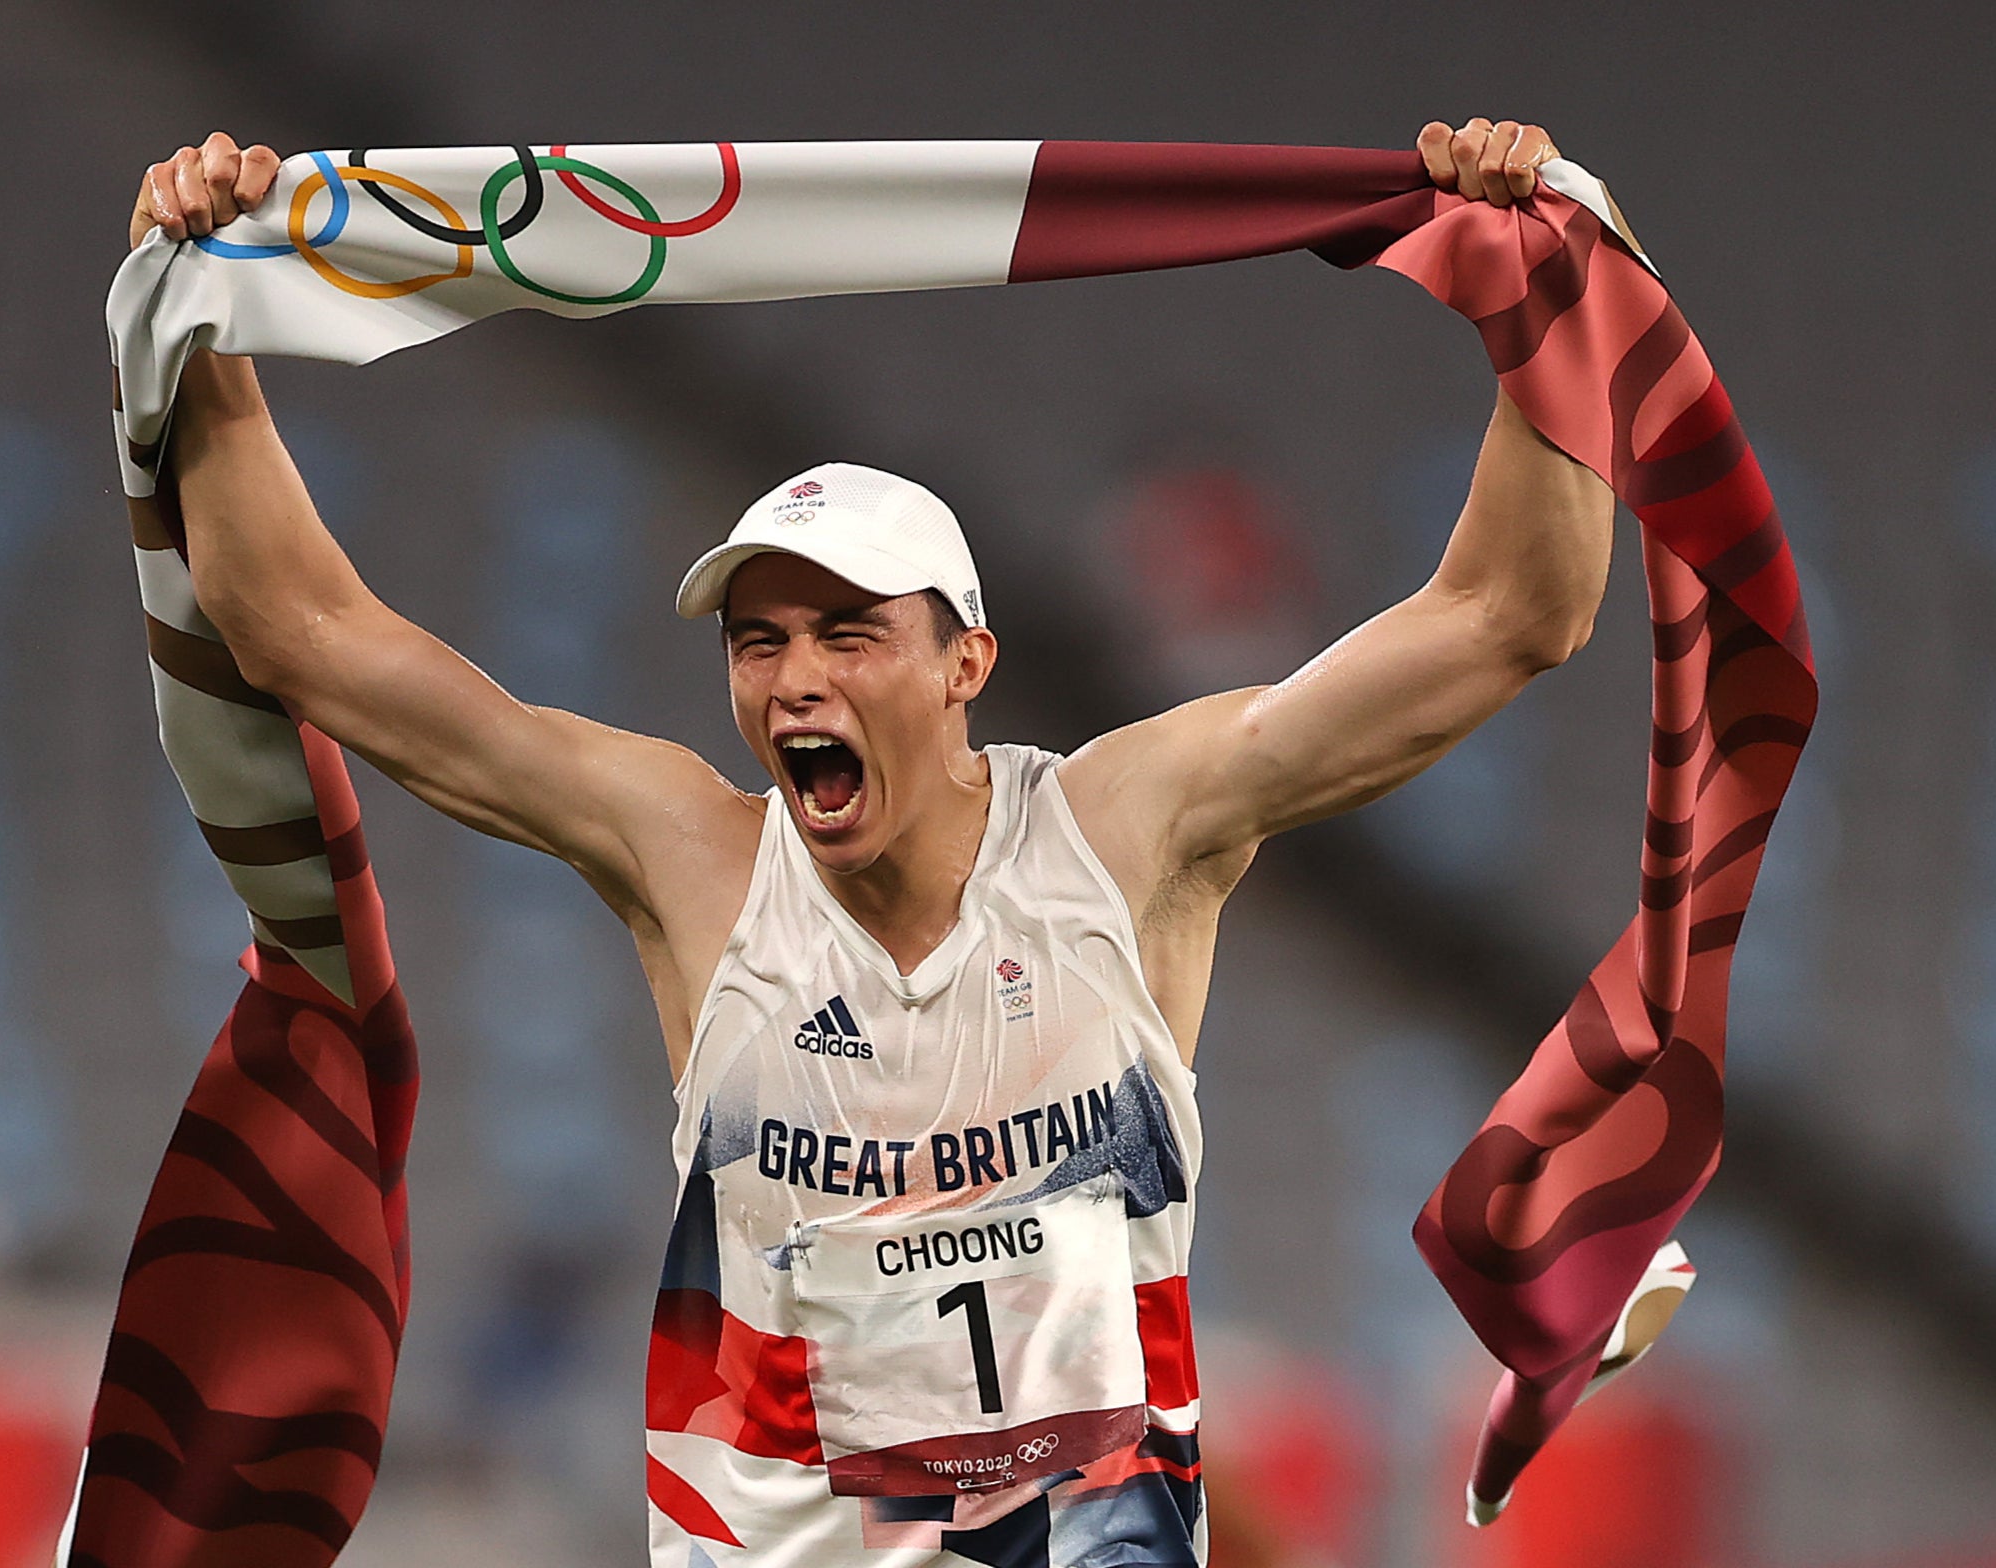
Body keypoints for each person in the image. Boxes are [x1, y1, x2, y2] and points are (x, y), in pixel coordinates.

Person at [128, 117, 1612, 1566]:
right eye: (758, 639)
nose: (794, 680)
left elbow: (1504, 618)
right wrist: (209, 328)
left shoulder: (1117, 835)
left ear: (964, 662)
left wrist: (1535, 307)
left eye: (848, 632)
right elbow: (312, 637)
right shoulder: (693, 860)